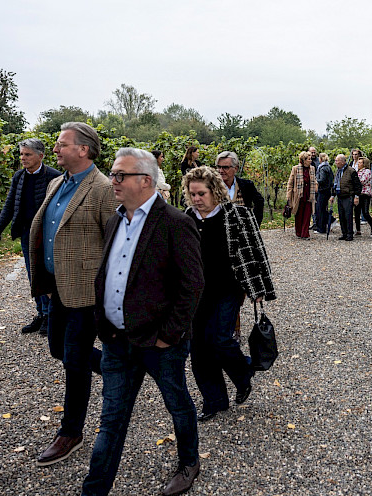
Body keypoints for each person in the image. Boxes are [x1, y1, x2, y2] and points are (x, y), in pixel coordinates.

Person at [82, 148, 204, 496]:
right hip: (116, 342)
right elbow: (108, 275)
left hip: (159, 344)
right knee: (111, 420)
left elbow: (192, 284)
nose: (113, 181)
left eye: (121, 175)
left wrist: (169, 335)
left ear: (146, 181)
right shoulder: (114, 221)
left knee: (177, 403)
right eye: (113, 174)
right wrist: (103, 323)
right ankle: (94, 490)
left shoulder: (175, 223)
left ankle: (189, 461)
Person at [29, 122, 117, 467]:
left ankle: (71, 432)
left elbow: (114, 244)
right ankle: (116, 369)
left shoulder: (103, 189)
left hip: (85, 292)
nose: (55, 150)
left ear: (83, 149)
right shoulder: (56, 183)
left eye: (61, 144)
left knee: (75, 361)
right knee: (57, 349)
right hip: (57, 288)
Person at [182, 166, 275, 423]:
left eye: (201, 193)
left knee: (221, 339)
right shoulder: (186, 217)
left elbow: (256, 250)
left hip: (228, 288)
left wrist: (259, 289)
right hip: (196, 292)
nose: (196, 199)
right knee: (199, 348)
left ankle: (243, 374)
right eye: (192, 194)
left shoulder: (238, 215)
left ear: (215, 191)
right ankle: (214, 400)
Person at [0, 138, 61, 335]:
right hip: (27, 233)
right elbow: (10, 205)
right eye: (21, 154)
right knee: (32, 275)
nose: (23, 158)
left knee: (46, 275)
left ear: (40, 156)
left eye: (27, 154)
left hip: (46, 235)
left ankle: (50, 316)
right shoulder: (19, 176)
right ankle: (41, 313)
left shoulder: (54, 177)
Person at [216, 150, 265, 225]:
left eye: (225, 167)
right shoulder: (213, 187)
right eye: (219, 167)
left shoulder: (246, 186)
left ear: (235, 169)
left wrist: (255, 223)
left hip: (243, 229)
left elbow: (259, 202)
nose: (221, 171)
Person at [329, 154, 360, 242]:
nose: (336, 162)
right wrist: (333, 195)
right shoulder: (338, 171)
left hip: (348, 195)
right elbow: (335, 184)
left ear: (343, 162)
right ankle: (344, 233)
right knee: (341, 215)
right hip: (340, 196)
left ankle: (350, 234)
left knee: (348, 215)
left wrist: (356, 196)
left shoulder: (351, 171)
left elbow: (357, 185)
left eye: (337, 161)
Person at [286, 151, 315, 239]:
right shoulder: (295, 169)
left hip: (309, 195)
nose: (310, 161)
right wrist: (288, 196)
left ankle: (305, 233)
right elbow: (290, 183)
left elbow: (314, 180)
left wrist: (316, 185)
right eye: (309, 159)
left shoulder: (312, 169)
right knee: (299, 215)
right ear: (304, 160)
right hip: (298, 196)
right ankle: (298, 232)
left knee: (307, 215)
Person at [354, 157, 372, 237]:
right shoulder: (357, 171)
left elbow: (362, 181)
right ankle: (358, 229)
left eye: (360, 163)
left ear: (364, 164)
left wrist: (355, 181)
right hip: (358, 194)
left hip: (365, 194)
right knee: (357, 212)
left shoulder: (367, 171)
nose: (358, 164)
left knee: (365, 212)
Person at [314, 153, 333, 234]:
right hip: (327, 190)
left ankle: (321, 228)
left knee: (320, 209)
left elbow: (322, 179)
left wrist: (315, 180)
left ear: (320, 159)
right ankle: (328, 223)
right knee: (323, 208)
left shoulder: (322, 168)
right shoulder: (328, 167)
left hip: (322, 190)